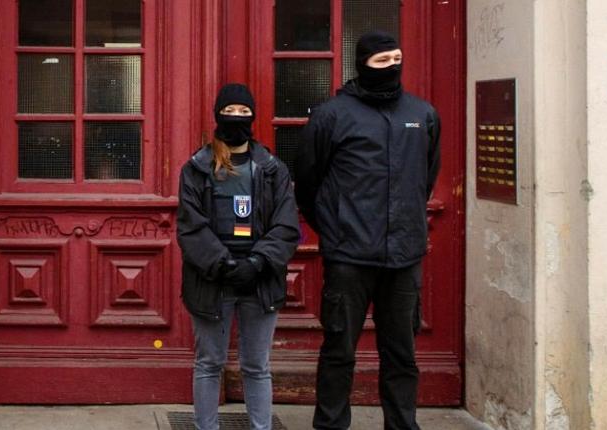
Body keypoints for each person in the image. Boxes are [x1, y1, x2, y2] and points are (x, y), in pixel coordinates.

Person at [295, 31, 441, 430]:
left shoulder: (422, 114)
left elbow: (424, 178)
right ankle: (330, 425)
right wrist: (335, 227)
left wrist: (404, 219)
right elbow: (307, 181)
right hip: (349, 258)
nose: (392, 67)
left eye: (397, 58)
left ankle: (401, 425)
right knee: (339, 351)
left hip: (404, 256)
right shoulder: (332, 115)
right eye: (382, 61)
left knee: (401, 355)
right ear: (361, 65)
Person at [177, 83, 300, 430]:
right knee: (208, 362)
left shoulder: (272, 169)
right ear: (217, 115)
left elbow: (287, 225)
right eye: (229, 111)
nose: (236, 118)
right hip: (212, 279)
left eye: (243, 112)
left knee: (257, 366)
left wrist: (258, 263)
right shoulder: (197, 168)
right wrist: (222, 264)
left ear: (253, 116)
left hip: (260, 280)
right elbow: (190, 226)